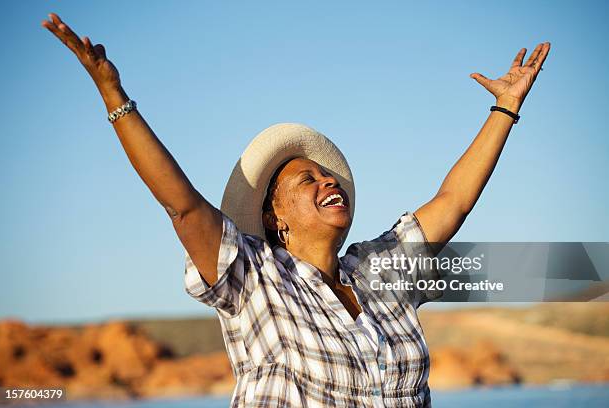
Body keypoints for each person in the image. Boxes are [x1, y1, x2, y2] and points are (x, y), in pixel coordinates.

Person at [42, 12, 550, 407]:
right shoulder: (255, 275)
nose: (328, 180)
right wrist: (115, 95)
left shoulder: (382, 272)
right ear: (272, 216)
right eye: (307, 179)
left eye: (328, 175)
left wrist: (506, 107)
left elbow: (452, 202)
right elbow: (182, 207)